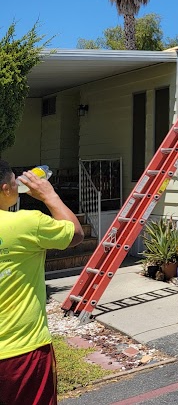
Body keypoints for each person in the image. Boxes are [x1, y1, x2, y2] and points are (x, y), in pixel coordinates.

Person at [0, 160, 83, 405]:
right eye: (14, 181)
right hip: (22, 351)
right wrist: (49, 195)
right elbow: (75, 233)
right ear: (6, 189)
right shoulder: (26, 223)